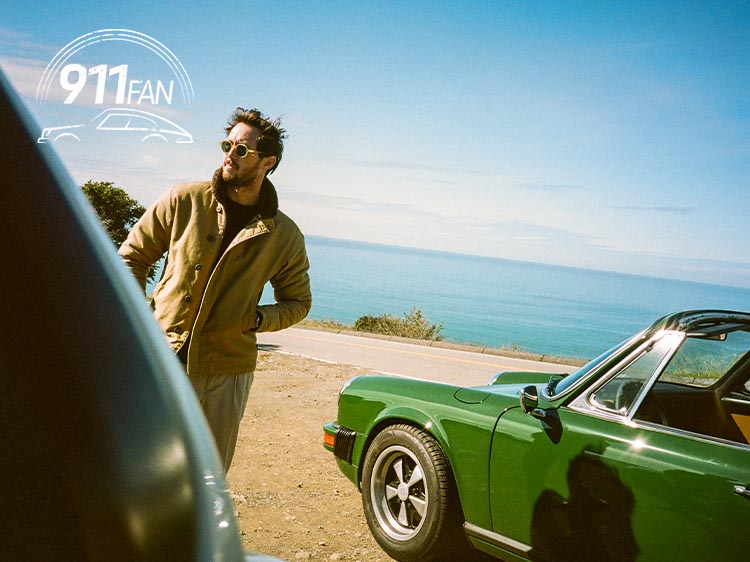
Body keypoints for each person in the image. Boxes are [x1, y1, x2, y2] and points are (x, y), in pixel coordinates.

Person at [119, 107, 312, 472]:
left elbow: (298, 302)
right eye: (227, 144)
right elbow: (131, 257)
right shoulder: (183, 200)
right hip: (162, 356)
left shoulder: (285, 235)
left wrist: (257, 318)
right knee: (144, 468)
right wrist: (138, 317)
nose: (229, 154)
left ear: (267, 162)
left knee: (209, 476)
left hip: (228, 370)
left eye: (242, 150)